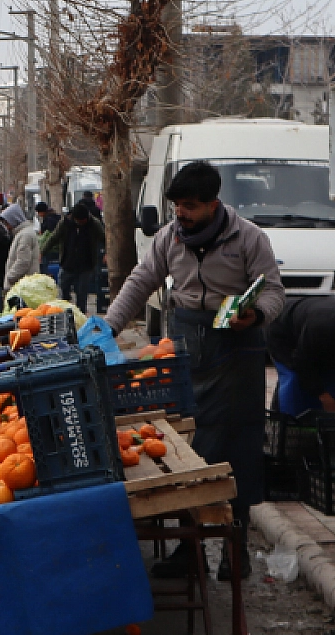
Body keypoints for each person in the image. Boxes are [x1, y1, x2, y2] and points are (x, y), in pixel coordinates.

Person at [102, 160, 284, 581]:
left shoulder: (249, 238)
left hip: (238, 350)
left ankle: (234, 551)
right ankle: (191, 549)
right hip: (186, 345)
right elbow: (140, 281)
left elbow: (274, 291)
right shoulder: (169, 238)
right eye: (177, 206)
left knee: (237, 449)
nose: (180, 214)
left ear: (212, 204)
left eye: (189, 206)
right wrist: (108, 327)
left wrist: (253, 315)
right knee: (186, 446)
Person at [268, 295, 335, 417]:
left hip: (312, 320)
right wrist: (325, 397)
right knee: (293, 377)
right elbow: (302, 363)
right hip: (283, 330)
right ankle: (289, 423)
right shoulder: (324, 329)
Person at [42, 201, 105, 314]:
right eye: (80, 221)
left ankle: (80, 314)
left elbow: (104, 239)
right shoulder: (65, 223)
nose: (82, 223)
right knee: (63, 290)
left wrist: (107, 253)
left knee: (82, 293)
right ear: (74, 218)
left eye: (84, 220)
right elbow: (54, 238)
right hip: (67, 263)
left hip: (86, 264)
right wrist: (42, 252)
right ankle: (64, 314)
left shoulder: (94, 224)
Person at [0, 206, 41, 291]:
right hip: (22, 284)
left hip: (22, 286)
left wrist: (10, 277)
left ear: (14, 220)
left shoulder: (25, 235)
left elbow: (23, 261)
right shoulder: (22, 233)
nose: (7, 227)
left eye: (7, 223)